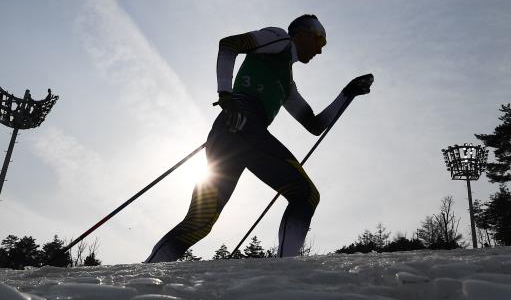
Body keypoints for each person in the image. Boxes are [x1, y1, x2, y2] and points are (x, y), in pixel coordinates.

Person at [145, 14, 373, 263]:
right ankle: (288, 267)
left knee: (200, 222)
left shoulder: (287, 84)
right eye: (320, 39)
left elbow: (314, 125)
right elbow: (230, 44)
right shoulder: (280, 39)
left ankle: (149, 270)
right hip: (244, 125)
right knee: (305, 195)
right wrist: (225, 94)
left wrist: (346, 94)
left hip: (228, 132)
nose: (320, 49)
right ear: (302, 34)